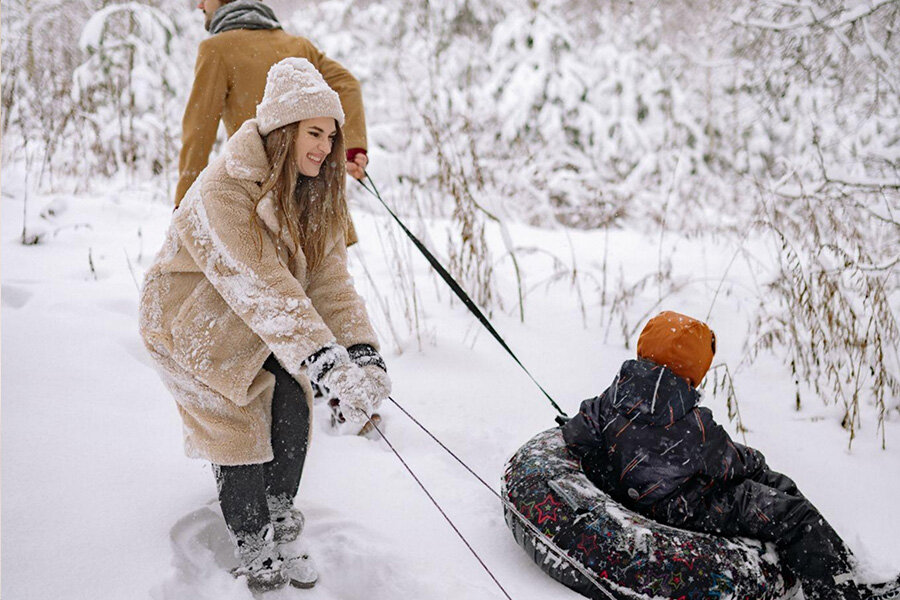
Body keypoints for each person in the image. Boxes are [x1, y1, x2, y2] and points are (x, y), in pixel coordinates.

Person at [140, 57, 390, 592]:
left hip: (257, 318)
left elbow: (327, 282)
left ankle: (278, 513)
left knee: (292, 404)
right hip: (191, 321)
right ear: (283, 130)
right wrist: (324, 358)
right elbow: (261, 284)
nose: (324, 148)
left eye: (331, 135)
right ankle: (252, 540)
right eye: (313, 133)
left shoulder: (317, 190)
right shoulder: (222, 190)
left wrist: (362, 350)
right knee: (239, 424)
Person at [561, 311, 899, 600]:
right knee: (790, 512)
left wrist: (606, 466)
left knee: (772, 490)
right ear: (694, 368)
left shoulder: (611, 397)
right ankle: (841, 589)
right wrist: (756, 463)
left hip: (629, 491)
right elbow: (729, 464)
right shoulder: (694, 424)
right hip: (681, 506)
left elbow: (578, 432)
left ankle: (842, 570)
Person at [177, 0, 370, 209]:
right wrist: (353, 148)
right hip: (311, 194)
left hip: (259, 195)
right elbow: (347, 84)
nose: (200, 6)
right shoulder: (298, 46)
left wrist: (184, 203)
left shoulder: (216, 49)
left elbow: (199, 130)